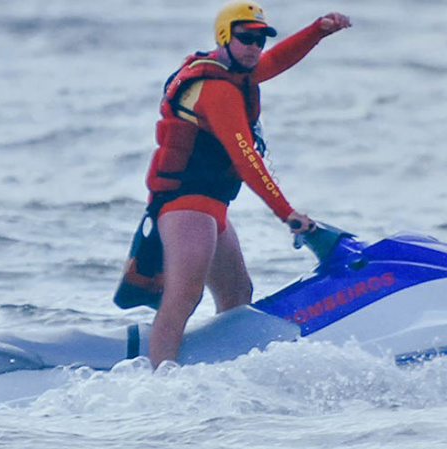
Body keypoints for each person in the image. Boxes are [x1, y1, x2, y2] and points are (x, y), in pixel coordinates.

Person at [144, 1, 352, 367]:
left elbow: (275, 61)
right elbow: (246, 159)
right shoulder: (217, 90)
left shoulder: (235, 71)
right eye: (246, 38)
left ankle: (227, 366)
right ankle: (158, 380)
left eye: (260, 38)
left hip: (211, 206)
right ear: (225, 37)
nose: (255, 46)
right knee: (183, 298)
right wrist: (287, 213)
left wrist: (318, 31)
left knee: (238, 292)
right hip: (186, 205)